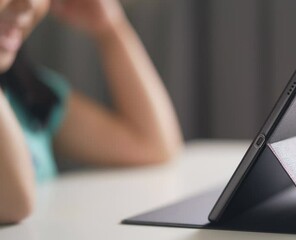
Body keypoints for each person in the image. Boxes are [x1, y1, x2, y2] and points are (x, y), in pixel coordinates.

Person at [0, 0, 183, 224]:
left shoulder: (28, 94)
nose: (27, 4)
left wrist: (110, 28)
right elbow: (15, 202)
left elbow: (153, 146)